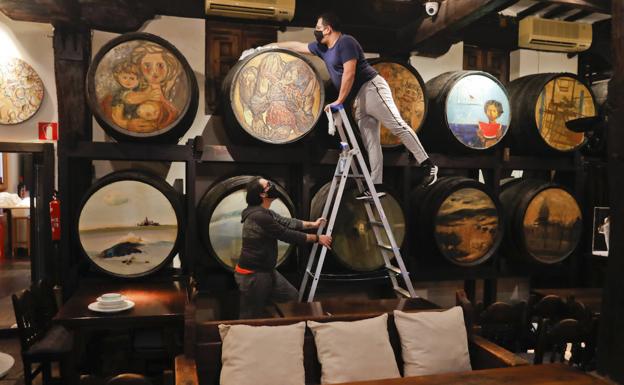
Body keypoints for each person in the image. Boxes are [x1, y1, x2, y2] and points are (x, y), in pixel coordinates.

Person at [268, 12, 438, 199]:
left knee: (397, 125)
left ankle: (428, 165)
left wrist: (339, 101)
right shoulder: (322, 48)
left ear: (327, 29)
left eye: (317, 27)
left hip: (372, 88)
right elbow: (298, 46)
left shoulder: (346, 42)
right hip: (357, 98)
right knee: (371, 141)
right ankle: (376, 184)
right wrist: (272, 46)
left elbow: (349, 73)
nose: (315, 31)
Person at [235, 177, 332, 319]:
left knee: (292, 298)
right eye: (268, 185)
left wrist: (314, 224)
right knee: (251, 315)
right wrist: (318, 239)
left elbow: (287, 222)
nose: (272, 185)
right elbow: (286, 234)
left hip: (266, 270)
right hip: (253, 274)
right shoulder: (259, 216)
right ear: (262, 194)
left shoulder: (264, 212)